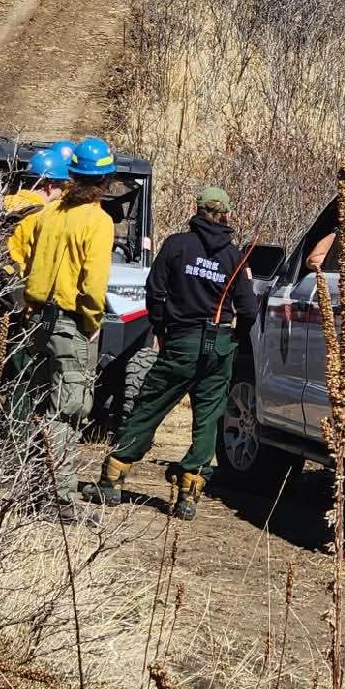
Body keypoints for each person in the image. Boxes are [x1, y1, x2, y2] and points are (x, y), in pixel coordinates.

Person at [83, 186, 255, 519]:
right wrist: (235, 338)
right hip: (219, 346)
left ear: (197, 209)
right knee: (208, 419)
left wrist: (161, 329)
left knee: (150, 405)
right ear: (227, 215)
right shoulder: (235, 257)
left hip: (181, 342)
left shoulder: (178, 245)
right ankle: (189, 494)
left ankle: (113, 478)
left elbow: (155, 290)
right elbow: (248, 309)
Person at [8, 134, 117, 521]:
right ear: (105, 180)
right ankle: (60, 501)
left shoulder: (48, 213)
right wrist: (92, 321)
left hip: (36, 321)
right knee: (66, 412)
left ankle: (28, 489)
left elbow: (24, 262)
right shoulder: (99, 222)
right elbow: (94, 284)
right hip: (71, 326)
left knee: (37, 407)